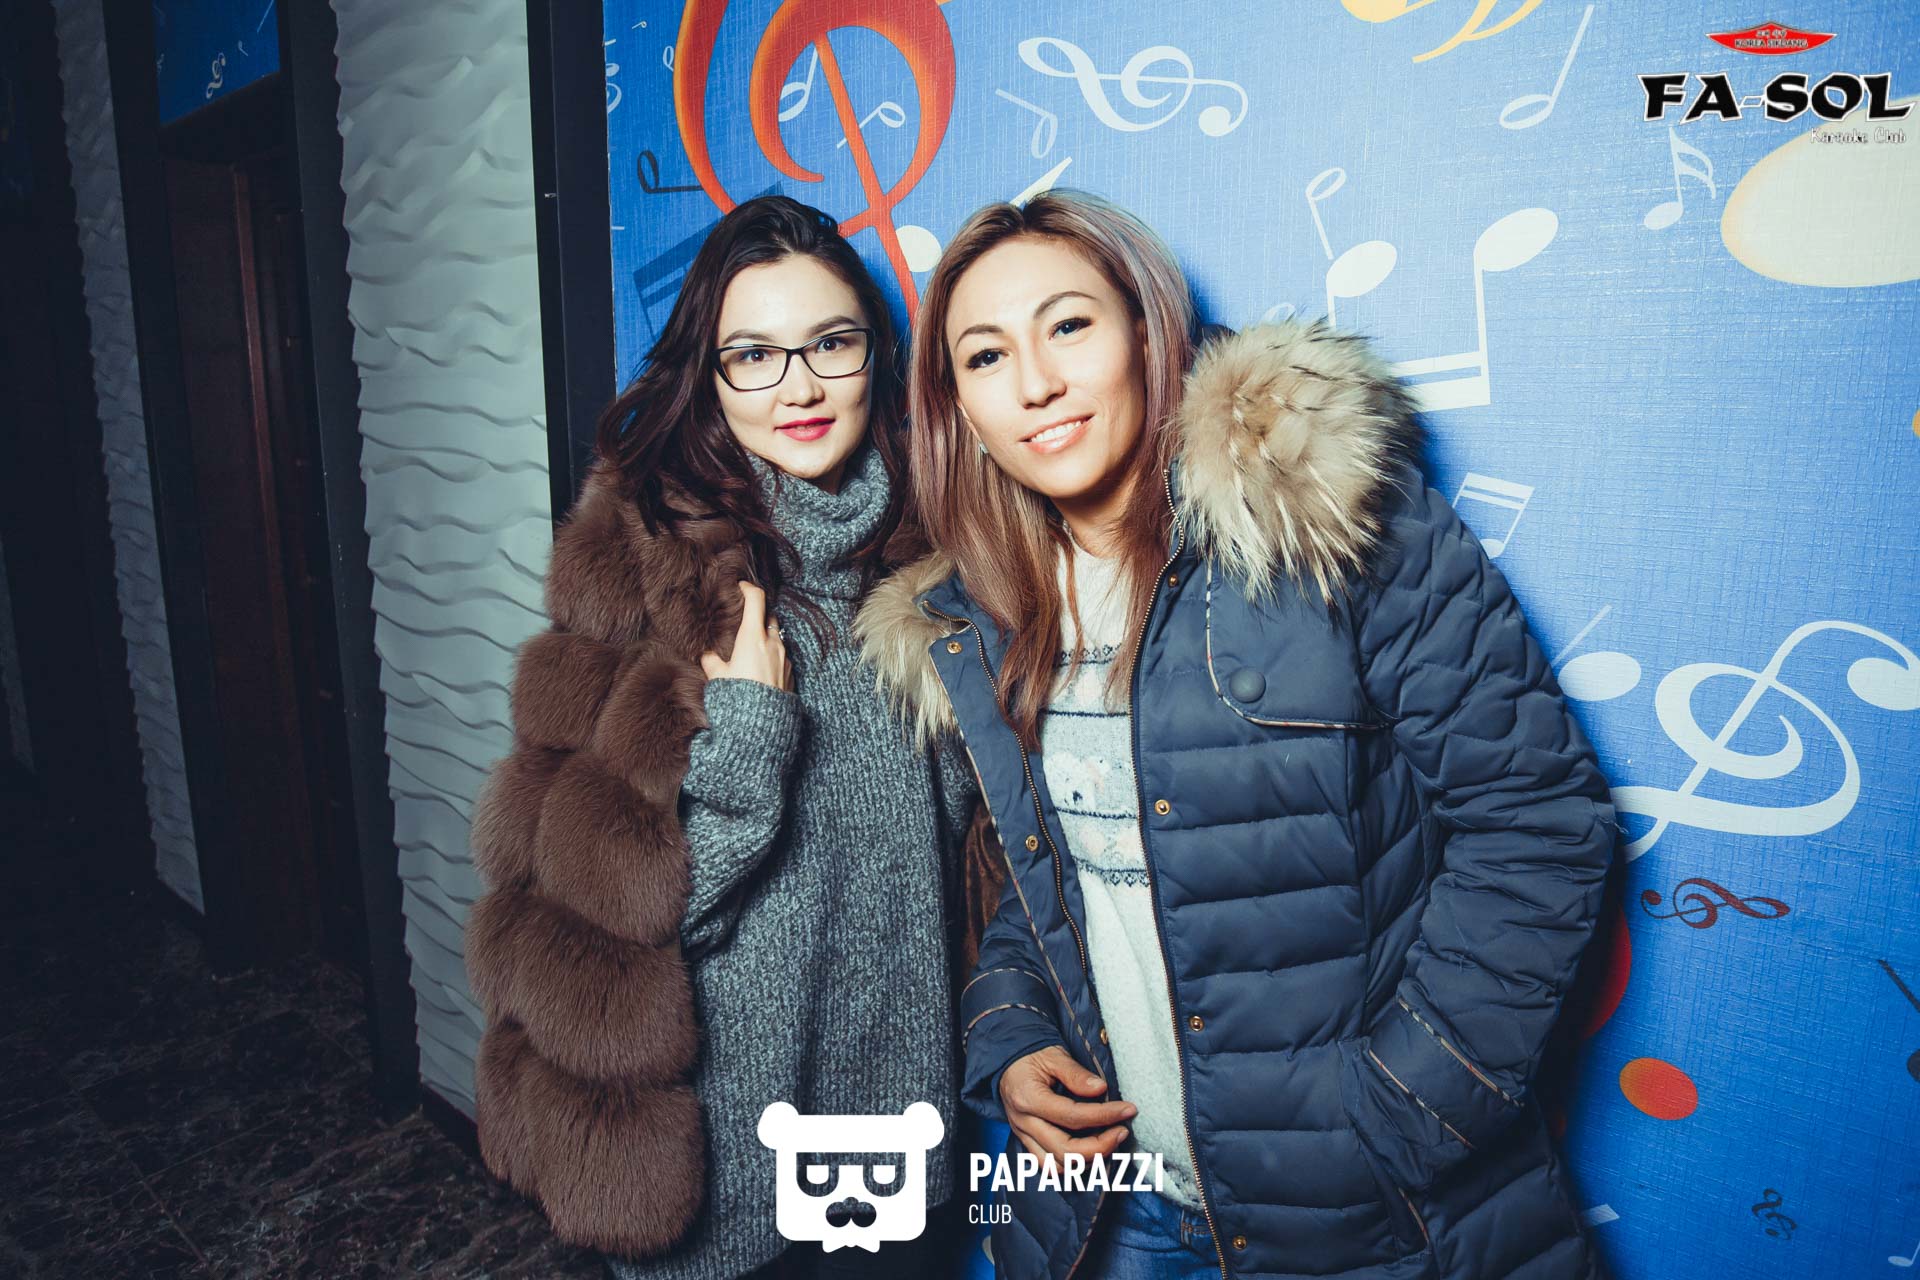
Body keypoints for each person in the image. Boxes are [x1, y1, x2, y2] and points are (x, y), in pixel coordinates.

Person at [854, 190, 1617, 1280]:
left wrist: (1410, 1106)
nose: (1034, 383)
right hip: (1115, 1213)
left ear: (1146, 333)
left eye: (1068, 325)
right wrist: (1014, 1036)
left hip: (1370, 1218)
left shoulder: (1322, 517)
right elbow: (1055, 879)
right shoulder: (980, 621)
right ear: (959, 408)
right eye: (985, 356)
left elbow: (1535, 820)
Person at [463, 194, 979, 1280]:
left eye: (830, 343)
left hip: (894, 1123)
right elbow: (600, 931)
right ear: (708, 375)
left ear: (875, 354)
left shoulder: (933, 560)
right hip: (725, 1160)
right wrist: (748, 739)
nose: (799, 386)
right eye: (753, 355)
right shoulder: (648, 572)